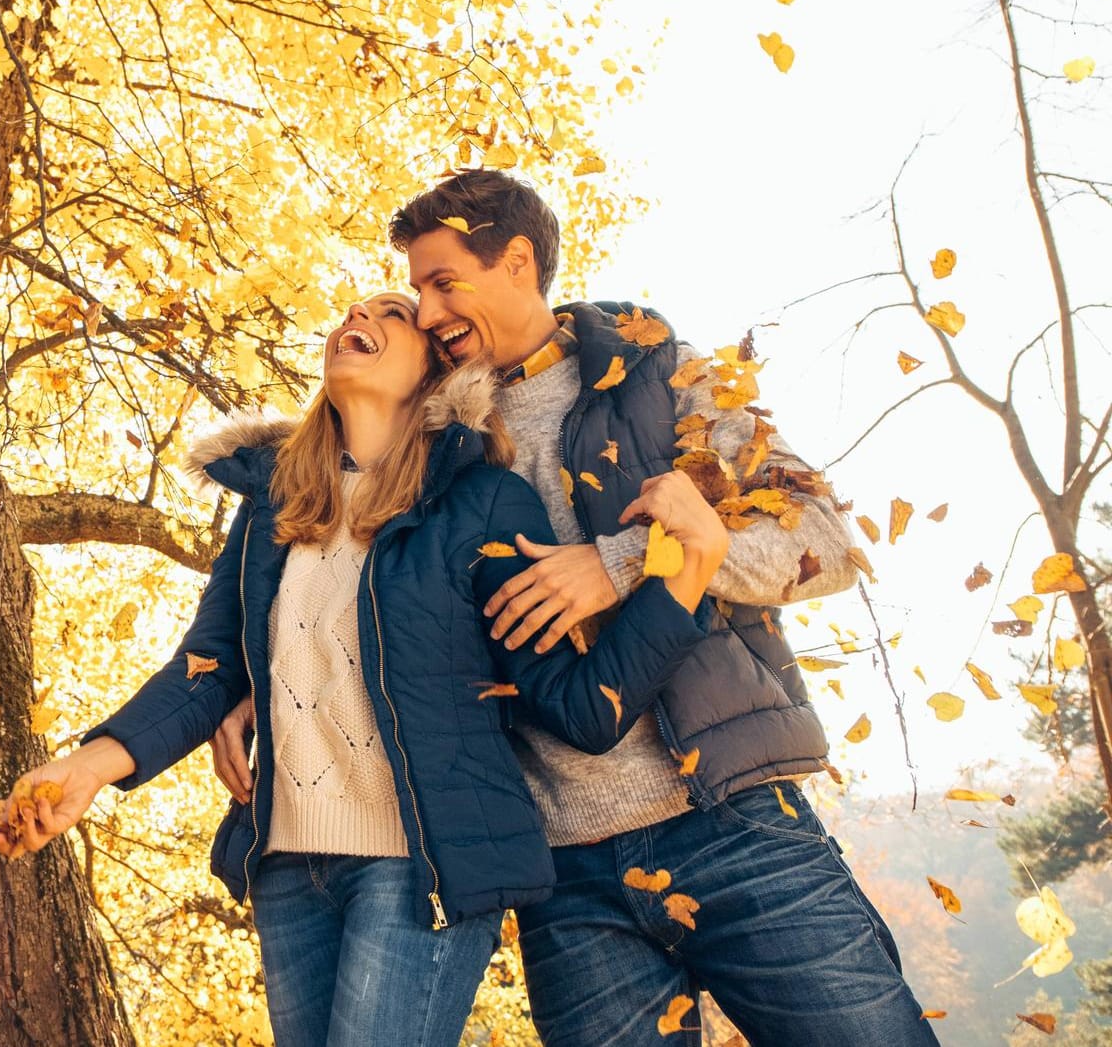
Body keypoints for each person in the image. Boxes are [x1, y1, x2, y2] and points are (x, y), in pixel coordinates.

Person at [212, 170, 940, 1046]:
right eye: (416, 290)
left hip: (732, 819)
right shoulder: (431, 439)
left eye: (445, 282)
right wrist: (265, 680)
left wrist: (619, 561)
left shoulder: (664, 377)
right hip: (564, 877)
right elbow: (359, 599)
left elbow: (822, 538)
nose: (430, 311)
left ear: (517, 261)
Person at [0, 292, 733, 1046]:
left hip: (420, 867)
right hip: (285, 867)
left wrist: (687, 572)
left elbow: (580, 707)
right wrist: (86, 767)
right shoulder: (272, 507)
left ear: (437, 372)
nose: (356, 319)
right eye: (347, 312)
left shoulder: (484, 501)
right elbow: (207, 668)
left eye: (392, 314)